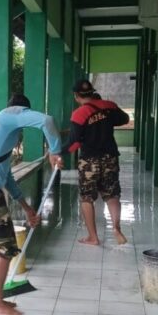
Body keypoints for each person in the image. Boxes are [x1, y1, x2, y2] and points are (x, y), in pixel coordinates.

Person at [0, 94, 63, 315]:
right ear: (22, 110)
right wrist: (55, 151)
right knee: (5, 248)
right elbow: (47, 121)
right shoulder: (9, 114)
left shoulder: (4, 141)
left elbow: (7, 177)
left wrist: (27, 209)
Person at [64, 79, 130, 246]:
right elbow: (124, 119)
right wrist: (105, 121)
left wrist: (57, 153)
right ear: (92, 92)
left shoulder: (79, 113)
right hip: (110, 158)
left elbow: (73, 142)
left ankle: (93, 237)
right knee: (112, 194)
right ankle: (116, 228)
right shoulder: (109, 106)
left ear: (76, 96)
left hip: (89, 161)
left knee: (87, 198)